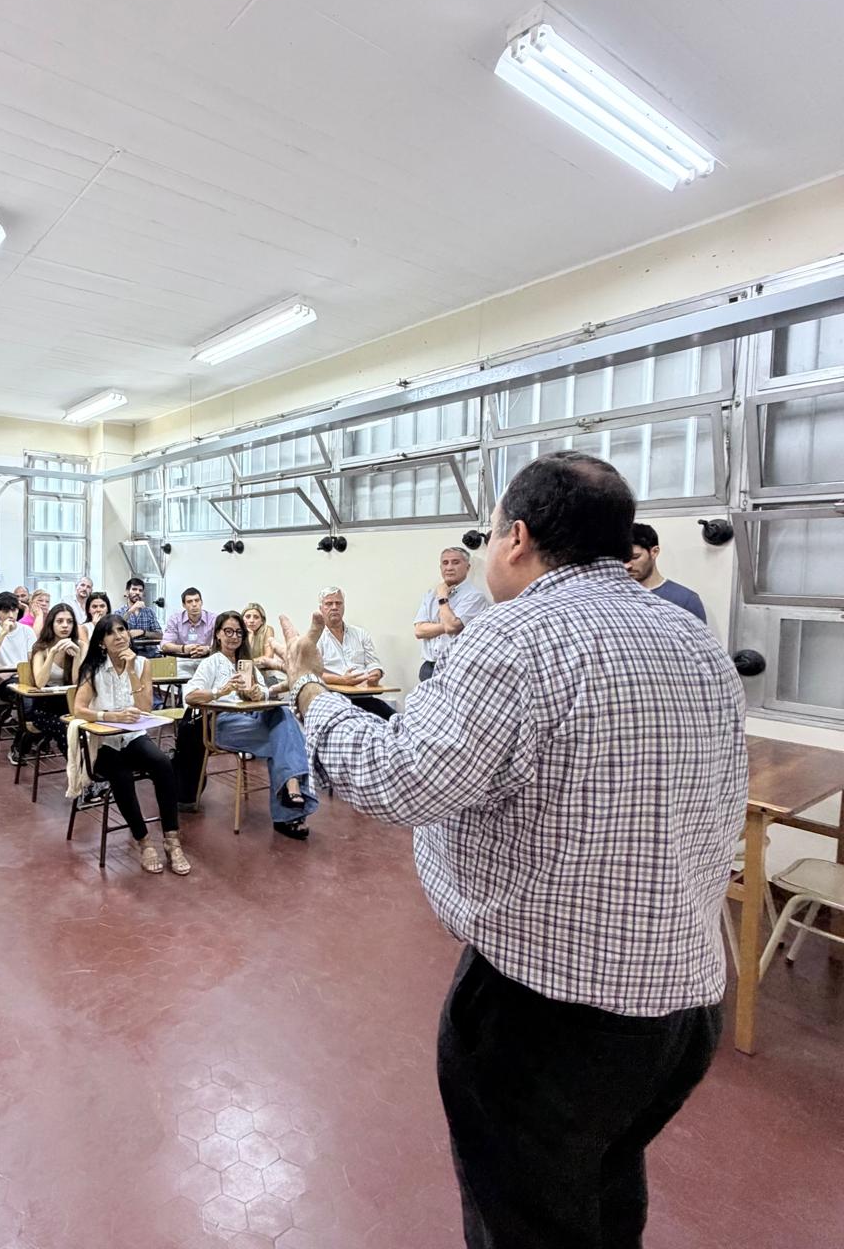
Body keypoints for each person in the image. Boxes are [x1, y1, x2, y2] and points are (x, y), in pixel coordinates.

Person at [280, 451, 746, 1248]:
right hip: (685, 1002)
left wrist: (308, 692)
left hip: (550, 1016)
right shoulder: (693, 638)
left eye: (487, 534)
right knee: (604, 1191)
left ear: (516, 538)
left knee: (523, 1219)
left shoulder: (513, 638)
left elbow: (398, 779)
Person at [74, 616, 190, 875]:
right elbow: (78, 708)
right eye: (111, 633)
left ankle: (172, 840)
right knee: (121, 776)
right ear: (102, 643)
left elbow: (145, 708)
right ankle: (144, 842)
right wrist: (108, 715)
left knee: (162, 764)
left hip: (133, 737)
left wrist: (130, 672)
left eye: (122, 630)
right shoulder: (92, 668)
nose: (119, 636)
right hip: (103, 742)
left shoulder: (142, 664)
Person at [185, 612, 316, 840]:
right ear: (217, 634)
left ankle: (290, 794)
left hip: (251, 718)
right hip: (223, 724)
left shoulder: (248, 665)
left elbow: (265, 693)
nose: (234, 636)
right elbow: (190, 696)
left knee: (282, 714)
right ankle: (289, 806)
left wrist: (259, 692)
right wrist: (220, 691)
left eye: (238, 632)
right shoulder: (211, 663)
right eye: (228, 631)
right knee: (284, 737)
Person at [315, 586, 392, 720]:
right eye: (329, 604)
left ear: (343, 607)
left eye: (338, 603)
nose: (334, 607)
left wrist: (376, 673)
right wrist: (341, 680)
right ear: (321, 608)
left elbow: (374, 664)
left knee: (395, 720)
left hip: (364, 697)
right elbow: (313, 674)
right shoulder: (316, 638)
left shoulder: (361, 634)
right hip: (333, 701)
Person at [413, 548, 489, 681]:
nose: (449, 567)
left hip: (457, 667)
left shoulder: (474, 596)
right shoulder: (430, 595)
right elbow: (419, 631)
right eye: (445, 563)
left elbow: (451, 626)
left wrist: (442, 596)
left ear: (467, 567)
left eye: (455, 562)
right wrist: (449, 624)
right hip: (428, 667)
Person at [20, 603, 83, 762]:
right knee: (66, 730)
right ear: (51, 624)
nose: (65, 626)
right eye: (60, 621)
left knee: (85, 729)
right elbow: (40, 683)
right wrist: (52, 653)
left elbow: (76, 682)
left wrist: (76, 656)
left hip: (68, 704)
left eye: (69, 622)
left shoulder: (78, 645)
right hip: (44, 708)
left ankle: (89, 771)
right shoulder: (41, 648)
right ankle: (80, 773)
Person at [626, 522, 707, 621]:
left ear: (654, 552)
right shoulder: (614, 597)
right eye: (622, 559)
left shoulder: (685, 600)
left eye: (635, 557)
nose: (627, 565)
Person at [0, 590, 34, 706]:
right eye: (5, 611)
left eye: (13, 610)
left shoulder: (27, 631)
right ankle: (26, 723)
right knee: (26, 699)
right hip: (4, 681)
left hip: (26, 677)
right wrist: (3, 633)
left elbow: (32, 660)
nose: (11, 615)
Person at [160, 587, 216, 676]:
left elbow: (222, 644)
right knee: (187, 684)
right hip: (183, 660)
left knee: (207, 682)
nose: (194, 604)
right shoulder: (175, 619)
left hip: (206, 660)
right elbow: (165, 645)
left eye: (197, 600)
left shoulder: (213, 619)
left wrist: (207, 649)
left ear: (201, 602)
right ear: (184, 605)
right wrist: (183, 648)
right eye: (189, 602)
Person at [242, 602, 285, 672]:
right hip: (248, 674)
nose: (251, 620)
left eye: (256, 617)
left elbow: (268, 658)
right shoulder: (237, 633)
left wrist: (247, 663)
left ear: (262, 621)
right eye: (248, 617)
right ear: (242, 619)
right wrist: (250, 636)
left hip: (268, 675)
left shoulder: (267, 630)